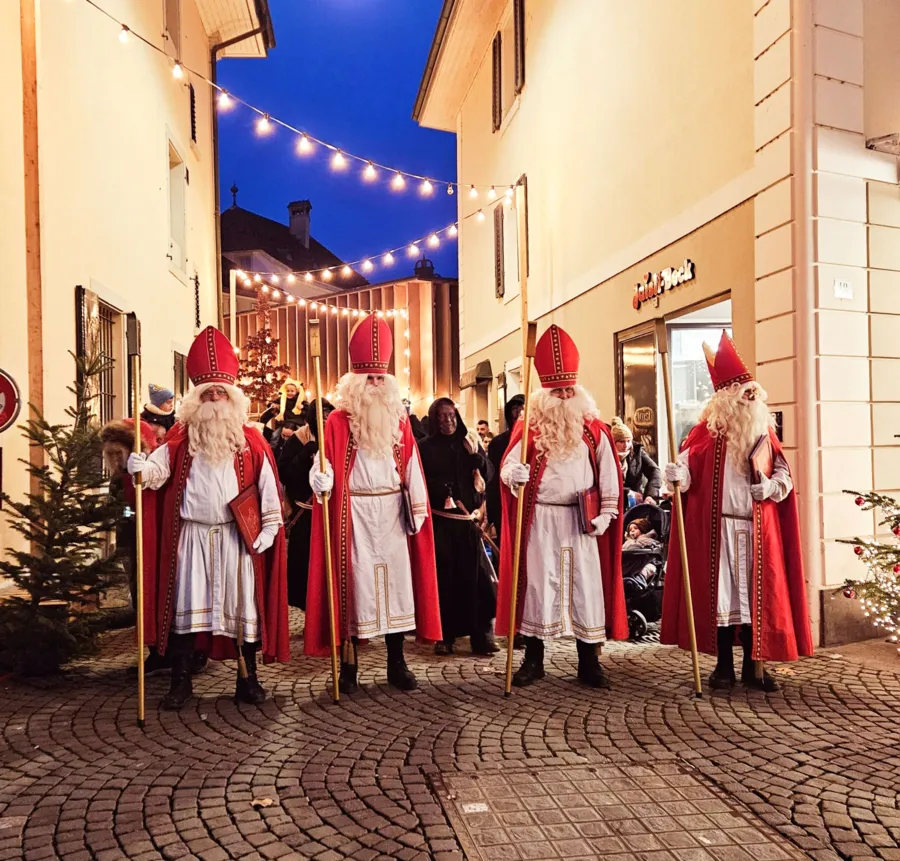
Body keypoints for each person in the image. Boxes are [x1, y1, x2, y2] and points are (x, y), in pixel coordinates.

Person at [127, 326, 290, 710]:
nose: (214, 398)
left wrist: (268, 528)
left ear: (232, 399)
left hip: (237, 538)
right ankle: (181, 683)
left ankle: (247, 681)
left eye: (221, 392)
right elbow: (155, 476)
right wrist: (139, 467)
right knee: (186, 612)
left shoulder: (251, 440)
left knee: (242, 611)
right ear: (196, 399)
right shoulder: (181, 439)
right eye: (207, 393)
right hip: (193, 538)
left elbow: (269, 488)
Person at [661, 330, 813, 691]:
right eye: (742, 394)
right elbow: (685, 471)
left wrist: (771, 487)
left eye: (751, 395)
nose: (748, 401)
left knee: (757, 600)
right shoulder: (703, 435)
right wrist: (674, 474)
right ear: (725, 399)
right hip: (719, 531)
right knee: (722, 600)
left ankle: (755, 668)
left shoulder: (764, 434)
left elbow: (784, 476)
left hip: (758, 530)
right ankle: (724, 667)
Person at [306, 314, 442, 692]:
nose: (376, 384)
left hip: (393, 515)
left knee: (396, 589)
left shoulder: (399, 422)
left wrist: (418, 511)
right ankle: (348, 668)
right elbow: (326, 463)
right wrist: (321, 480)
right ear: (355, 383)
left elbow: (412, 467)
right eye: (370, 378)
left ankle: (396, 663)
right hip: (355, 515)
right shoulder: (337, 421)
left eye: (381, 378)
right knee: (356, 589)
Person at [496, 325, 628, 688]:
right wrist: (514, 473)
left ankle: (589, 662)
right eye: (559, 390)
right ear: (547, 394)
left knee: (585, 588)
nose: (566, 394)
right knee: (538, 586)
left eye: (570, 388)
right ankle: (533, 659)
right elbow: (508, 465)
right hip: (541, 518)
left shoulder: (593, 429)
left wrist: (607, 513)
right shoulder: (531, 427)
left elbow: (608, 473)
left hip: (580, 519)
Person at [418, 398, 497, 656]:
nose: (447, 421)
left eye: (451, 415)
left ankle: (481, 635)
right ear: (434, 419)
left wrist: (477, 458)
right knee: (446, 580)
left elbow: (489, 474)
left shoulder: (469, 442)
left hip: (468, 524)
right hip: (442, 524)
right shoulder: (425, 448)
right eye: (441, 417)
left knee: (477, 581)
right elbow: (418, 481)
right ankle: (446, 635)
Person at [277, 399, 333, 610]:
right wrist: (303, 456)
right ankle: (308, 608)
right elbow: (284, 472)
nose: (325, 418)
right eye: (321, 414)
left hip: (331, 511)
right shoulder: (299, 439)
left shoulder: (337, 436)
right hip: (305, 511)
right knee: (305, 565)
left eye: (328, 413)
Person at [486, 395, 526, 542]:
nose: (518, 413)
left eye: (522, 409)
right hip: (503, 505)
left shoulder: (536, 439)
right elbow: (493, 480)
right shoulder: (498, 443)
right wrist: (492, 516)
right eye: (514, 409)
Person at [610, 417, 662, 505]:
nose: (626, 445)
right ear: (613, 442)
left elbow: (654, 471)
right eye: (621, 442)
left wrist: (650, 495)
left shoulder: (637, 451)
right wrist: (628, 493)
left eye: (628, 441)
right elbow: (605, 485)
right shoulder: (607, 456)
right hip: (613, 504)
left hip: (635, 504)